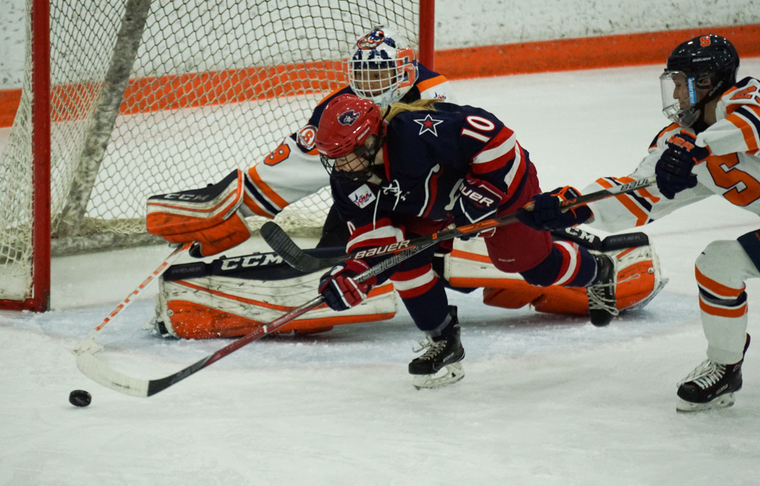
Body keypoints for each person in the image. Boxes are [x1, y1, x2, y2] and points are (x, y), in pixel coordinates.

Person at [313, 93, 619, 389]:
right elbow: (377, 242)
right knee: (401, 259)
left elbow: (498, 139)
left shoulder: (417, 133)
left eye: (344, 155)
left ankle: (599, 269)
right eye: (332, 158)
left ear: (370, 142)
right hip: (436, 208)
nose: (338, 167)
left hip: (500, 187)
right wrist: (357, 275)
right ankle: (444, 339)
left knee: (534, 268)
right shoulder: (346, 181)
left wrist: (481, 192)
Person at [518, 34, 755, 412]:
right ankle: (726, 367)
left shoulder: (747, 100)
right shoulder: (679, 141)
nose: (675, 95)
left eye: (681, 84)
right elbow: (639, 195)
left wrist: (700, 147)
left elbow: (750, 125)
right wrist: (574, 207)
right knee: (718, 264)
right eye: (672, 84)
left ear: (708, 83)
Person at [146, 25, 457, 256]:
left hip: (437, 198)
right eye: (361, 75)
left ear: (403, 74)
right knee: (350, 195)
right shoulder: (340, 108)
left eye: (377, 75)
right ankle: (338, 261)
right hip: (374, 197)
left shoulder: (433, 94)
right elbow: (300, 161)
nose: (367, 85)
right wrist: (236, 208)